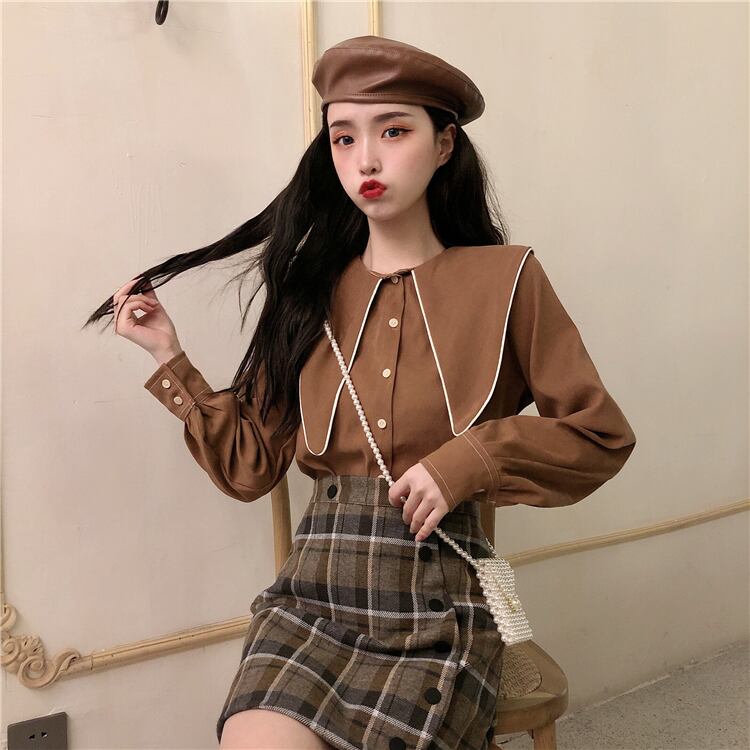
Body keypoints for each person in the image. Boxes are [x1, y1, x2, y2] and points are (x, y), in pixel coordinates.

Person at [87, 34, 637, 750]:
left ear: (445, 145)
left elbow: (599, 436)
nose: (365, 161)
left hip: (438, 600)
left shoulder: (508, 279)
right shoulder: (308, 291)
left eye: (394, 132)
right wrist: (170, 357)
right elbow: (251, 469)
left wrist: (469, 459)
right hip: (311, 597)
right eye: (344, 138)